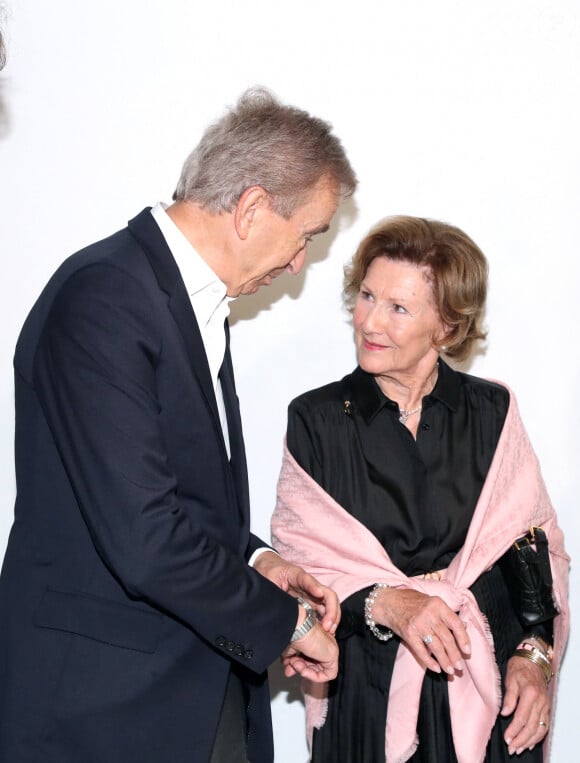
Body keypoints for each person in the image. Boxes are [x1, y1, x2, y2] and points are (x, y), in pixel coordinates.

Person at [0, 87, 357, 763]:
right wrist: (284, 622)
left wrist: (260, 560)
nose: (297, 263)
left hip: (187, 689)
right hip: (101, 710)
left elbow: (178, 498)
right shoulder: (106, 296)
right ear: (252, 208)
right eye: (306, 234)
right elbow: (145, 536)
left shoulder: (189, 302)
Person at [272, 216, 569, 763]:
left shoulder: (492, 412)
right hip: (368, 697)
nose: (369, 321)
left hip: (489, 697)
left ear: (448, 327)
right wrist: (390, 602)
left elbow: (531, 548)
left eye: (398, 308)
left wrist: (534, 658)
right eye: (366, 295)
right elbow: (297, 569)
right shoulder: (315, 420)